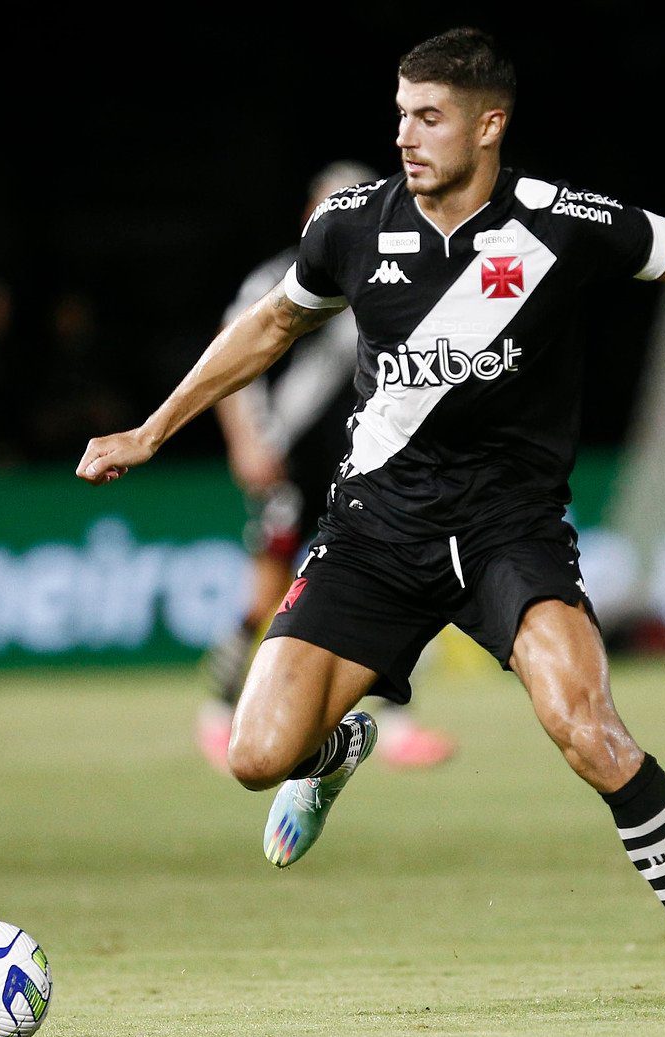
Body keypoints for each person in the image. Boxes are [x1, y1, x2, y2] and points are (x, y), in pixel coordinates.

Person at [78, 27, 665, 1025]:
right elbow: (271, 323)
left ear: (490, 125)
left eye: (429, 117)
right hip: (373, 531)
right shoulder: (352, 225)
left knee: (590, 729)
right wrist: (153, 427)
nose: (407, 135)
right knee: (254, 754)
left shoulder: (564, 223)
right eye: (400, 113)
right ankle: (335, 751)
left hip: (507, 534)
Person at [198, 161, 458, 774]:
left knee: (393, 592)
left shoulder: (391, 276)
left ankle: (394, 728)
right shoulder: (279, 277)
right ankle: (216, 712)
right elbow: (231, 352)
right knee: (265, 597)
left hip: (367, 466)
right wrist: (245, 442)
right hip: (290, 460)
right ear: (311, 213)